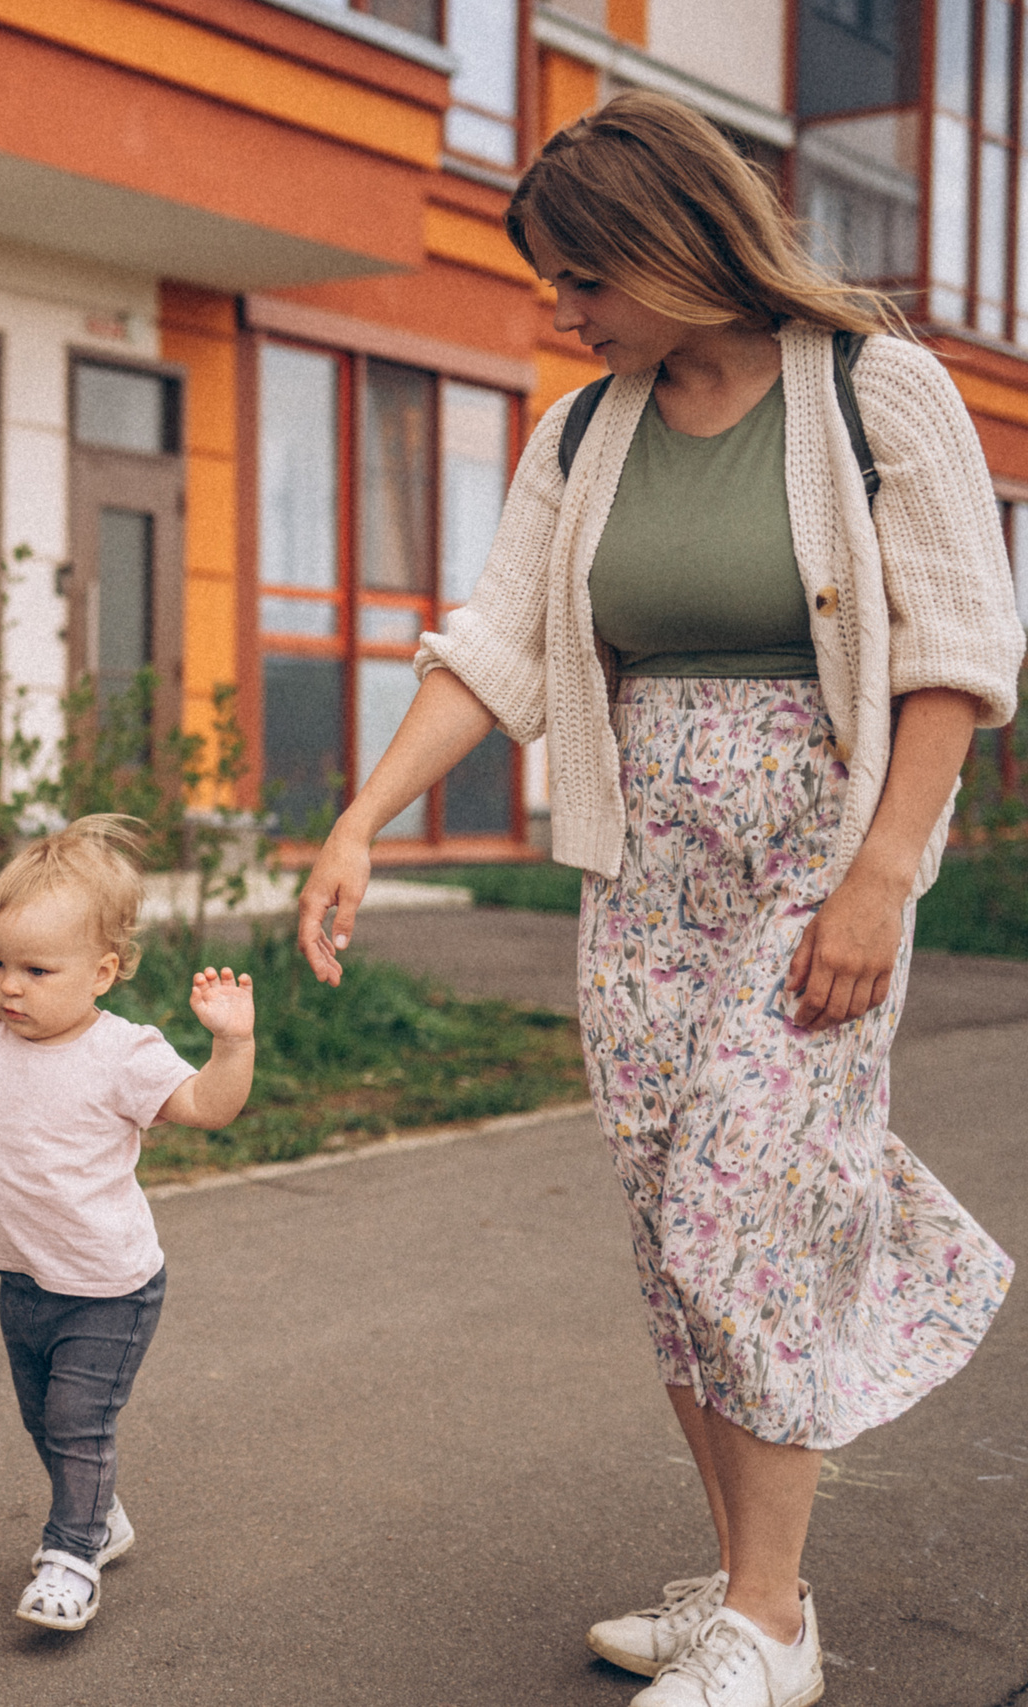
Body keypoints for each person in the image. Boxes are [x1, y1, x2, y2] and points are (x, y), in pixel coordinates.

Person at [295, 92, 1019, 1707]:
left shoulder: (870, 386)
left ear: (671, 242)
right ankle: (749, 1591)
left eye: (581, 277)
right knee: (671, 1230)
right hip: (646, 868)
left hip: (815, 857)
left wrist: (880, 878)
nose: (563, 312)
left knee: (743, 1203)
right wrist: (357, 819)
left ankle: (766, 1625)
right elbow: (491, 644)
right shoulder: (586, 426)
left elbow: (960, 649)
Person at [0, 812, 256, 1631]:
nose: (8, 985)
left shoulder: (125, 1052)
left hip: (110, 1287)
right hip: (24, 1277)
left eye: (37, 969)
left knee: (78, 1421)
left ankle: (72, 1555)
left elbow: (206, 1108)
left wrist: (232, 1045)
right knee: (45, 1418)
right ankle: (99, 1514)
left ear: (102, 971)